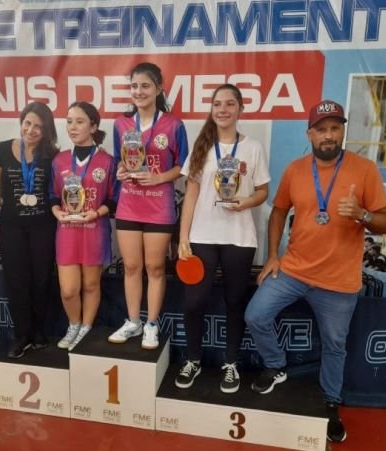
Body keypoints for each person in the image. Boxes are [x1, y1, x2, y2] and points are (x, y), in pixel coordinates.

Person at [244, 100, 386, 442]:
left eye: (335, 128)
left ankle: (330, 402)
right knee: (255, 315)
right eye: (321, 129)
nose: (328, 135)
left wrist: (363, 214)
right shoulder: (296, 170)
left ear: (342, 131)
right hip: (294, 270)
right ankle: (276, 365)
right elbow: (278, 211)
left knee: (335, 345)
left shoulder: (364, 169)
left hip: (338, 282)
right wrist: (272, 256)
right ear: (309, 134)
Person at [175, 84, 270, 393]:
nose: (223, 109)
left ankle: (230, 363)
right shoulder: (202, 146)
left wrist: (247, 202)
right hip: (202, 235)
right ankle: (193, 359)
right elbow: (190, 195)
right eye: (217, 104)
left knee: (235, 301)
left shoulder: (253, 148)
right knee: (194, 302)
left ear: (240, 108)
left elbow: (263, 190)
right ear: (212, 109)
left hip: (239, 237)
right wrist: (183, 237)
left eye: (230, 104)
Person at [107, 62, 189, 349]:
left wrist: (158, 178)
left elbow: (183, 166)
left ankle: (151, 323)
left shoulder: (174, 125)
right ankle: (133, 321)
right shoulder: (120, 124)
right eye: (134, 86)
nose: (139, 91)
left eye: (145, 85)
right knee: (131, 266)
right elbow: (120, 160)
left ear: (158, 88)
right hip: (129, 203)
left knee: (154, 267)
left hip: (159, 205)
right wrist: (120, 171)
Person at [0, 102, 59, 358]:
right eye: (27, 123)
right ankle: (21, 335)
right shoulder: (1, 150)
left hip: (43, 226)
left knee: (41, 280)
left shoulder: (52, 155)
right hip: (11, 226)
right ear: (21, 123)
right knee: (16, 280)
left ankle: (39, 332)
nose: (31, 130)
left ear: (46, 130)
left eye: (38, 126)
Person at [50, 102, 116, 351]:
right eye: (69, 121)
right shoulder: (59, 160)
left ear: (93, 126)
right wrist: (57, 212)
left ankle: (85, 328)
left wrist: (96, 213)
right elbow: (53, 195)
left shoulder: (107, 161)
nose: (73, 127)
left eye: (79, 121)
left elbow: (114, 198)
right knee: (69, 290)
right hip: (67, 232)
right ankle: (73, 325)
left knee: (90, 285)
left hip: (94, 230)